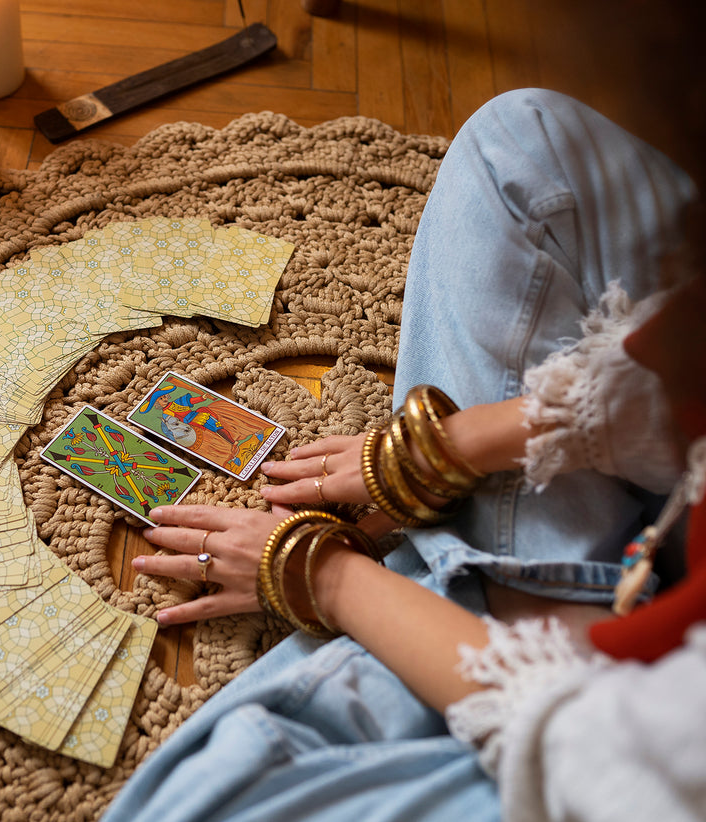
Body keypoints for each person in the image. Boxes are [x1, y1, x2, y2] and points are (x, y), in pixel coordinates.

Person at [99, 87, 706, 822]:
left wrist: (321, 573)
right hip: (676, 553)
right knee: (522, 144)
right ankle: (505, 589)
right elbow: (685, 365)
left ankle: (506, 610)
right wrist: (442, 452)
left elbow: (593, 759)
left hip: (633, 748)